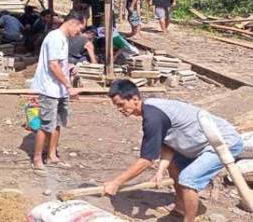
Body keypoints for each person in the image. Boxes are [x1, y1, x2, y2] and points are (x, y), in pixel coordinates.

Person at [104, 80, 243, 222]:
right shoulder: (151, 108)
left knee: (188, 179)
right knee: (174, 165)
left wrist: (117, 182)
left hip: (223, 142)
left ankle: (189, 220)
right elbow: (168, 142)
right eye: (116, 106)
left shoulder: (153, 117)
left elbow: (146, 160)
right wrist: (160, 170)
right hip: (199, 144)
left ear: (134, 99)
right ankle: (181, 207)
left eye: (121, 104)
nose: (119, 109)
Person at [30, 12, 84, 172]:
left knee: (58, 122)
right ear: (72, 23)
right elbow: (53, 65)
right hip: (49, 88)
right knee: (46, 124)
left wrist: (68, 70)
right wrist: (68, 85)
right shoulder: (55, 38)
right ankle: (37, 158)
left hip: (59, 89)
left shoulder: (63, 39)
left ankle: (52, 155)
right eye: (79, 29)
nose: (78, 34)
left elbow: (59, 64)